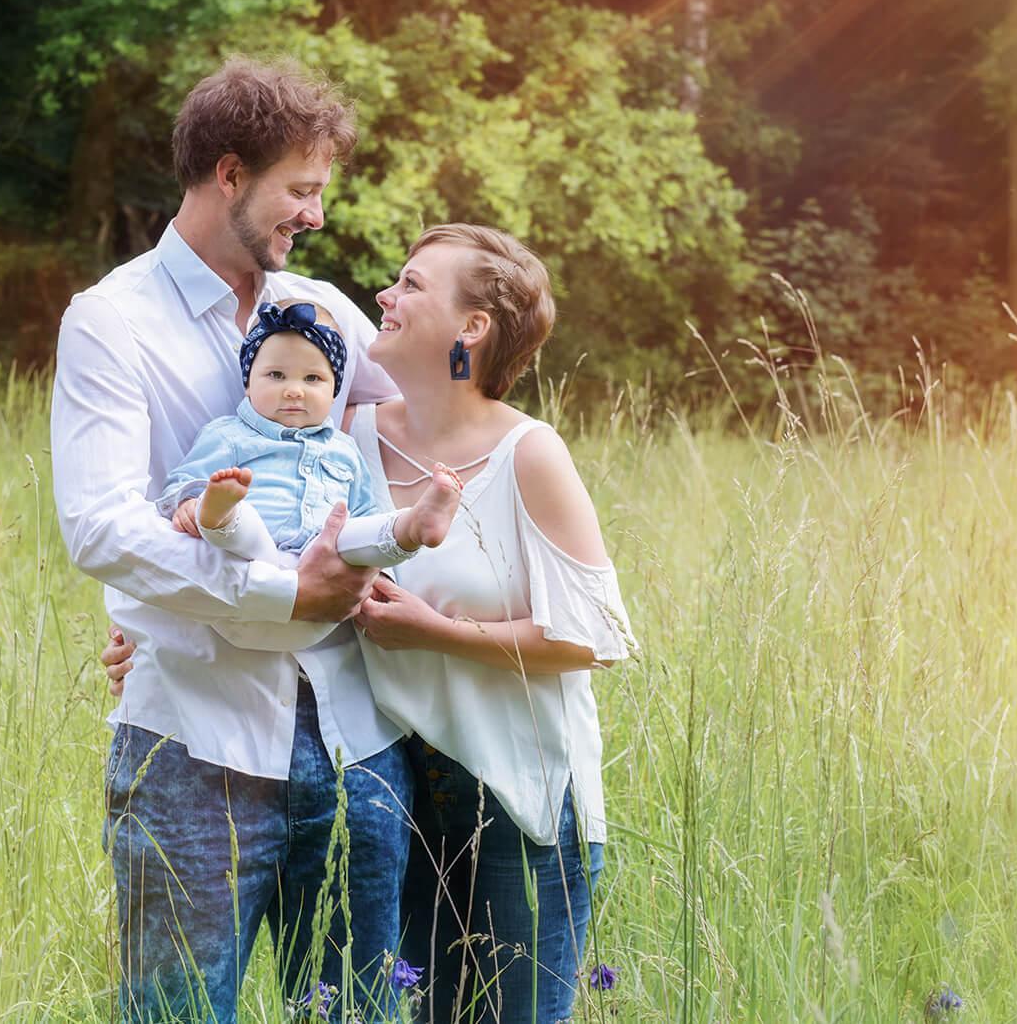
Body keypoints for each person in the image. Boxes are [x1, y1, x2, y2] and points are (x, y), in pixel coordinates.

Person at [106, 223, 637, 1024]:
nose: (383, 296)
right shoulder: (337, 439)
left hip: (519, 800)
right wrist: (154, 630)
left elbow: (591, 639)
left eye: (413, 284)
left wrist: (434, 629)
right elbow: (277, 566)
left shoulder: (529, 453)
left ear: (473, 328)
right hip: (394, 792)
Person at [51, 56, 416, 1024]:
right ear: (227, 174)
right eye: (300, 190)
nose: (317, 215)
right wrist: (274, 596)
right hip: (192, 749)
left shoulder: (329, 312)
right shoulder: (111, 324)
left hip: (350, 745)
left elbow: (430, 440)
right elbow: (99, 523)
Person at [159, 298, 464, 576]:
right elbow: (183, 478)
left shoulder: (343, 448)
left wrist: (381, 575)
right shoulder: (229, 436)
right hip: (252, 568)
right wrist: (188, 500)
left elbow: (363, 509)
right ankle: (217, 511)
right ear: (248, 383)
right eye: (276, 375)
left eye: (312, 378)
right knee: (245, 523)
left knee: (359, 530)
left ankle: (413, 525)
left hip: (326, 563)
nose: (294, 389)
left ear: (333, 393)